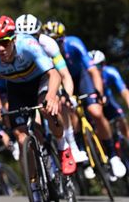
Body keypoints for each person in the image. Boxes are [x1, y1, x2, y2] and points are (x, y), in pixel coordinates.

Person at [0, 15, 76, 199]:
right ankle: (34, 187)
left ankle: (63, 147)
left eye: (5, 42)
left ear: (14, 39)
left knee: (47, 108)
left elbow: (54, 75)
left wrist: (52, 96)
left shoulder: (29, 44)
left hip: (41, 81)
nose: (0, 48)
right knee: (22, 138)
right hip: (16, 89)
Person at [42, 20, 126, 178]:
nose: (57, 45)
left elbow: (93, 71)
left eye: (58, 41)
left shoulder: (74, 43)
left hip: (81, 77)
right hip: (62, 79)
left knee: (96, 112)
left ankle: (113, 156)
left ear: (64, 38)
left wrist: (98, 94)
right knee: (66, 108)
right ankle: (80, 149)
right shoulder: (46, 52)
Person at [15, 14, 88, 164]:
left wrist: (67, 95)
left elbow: (64, 75)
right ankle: (46, 166)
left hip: (48, 79)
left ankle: (71, 144)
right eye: (24, 36)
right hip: (28, 84)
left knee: (60, 103)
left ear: (39, 34)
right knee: (34, 125)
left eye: (33, 36)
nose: (29, 41)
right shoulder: (14, 48)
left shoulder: (48, 44)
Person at [89, 50, 129, 139]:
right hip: (95, 101)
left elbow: (124, 91)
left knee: (121, 120)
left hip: (108, 99)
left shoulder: (110, 72)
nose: (97, 69)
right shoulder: (87, 77)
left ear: (104, 64)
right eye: (94, 66)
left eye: (99, 65)